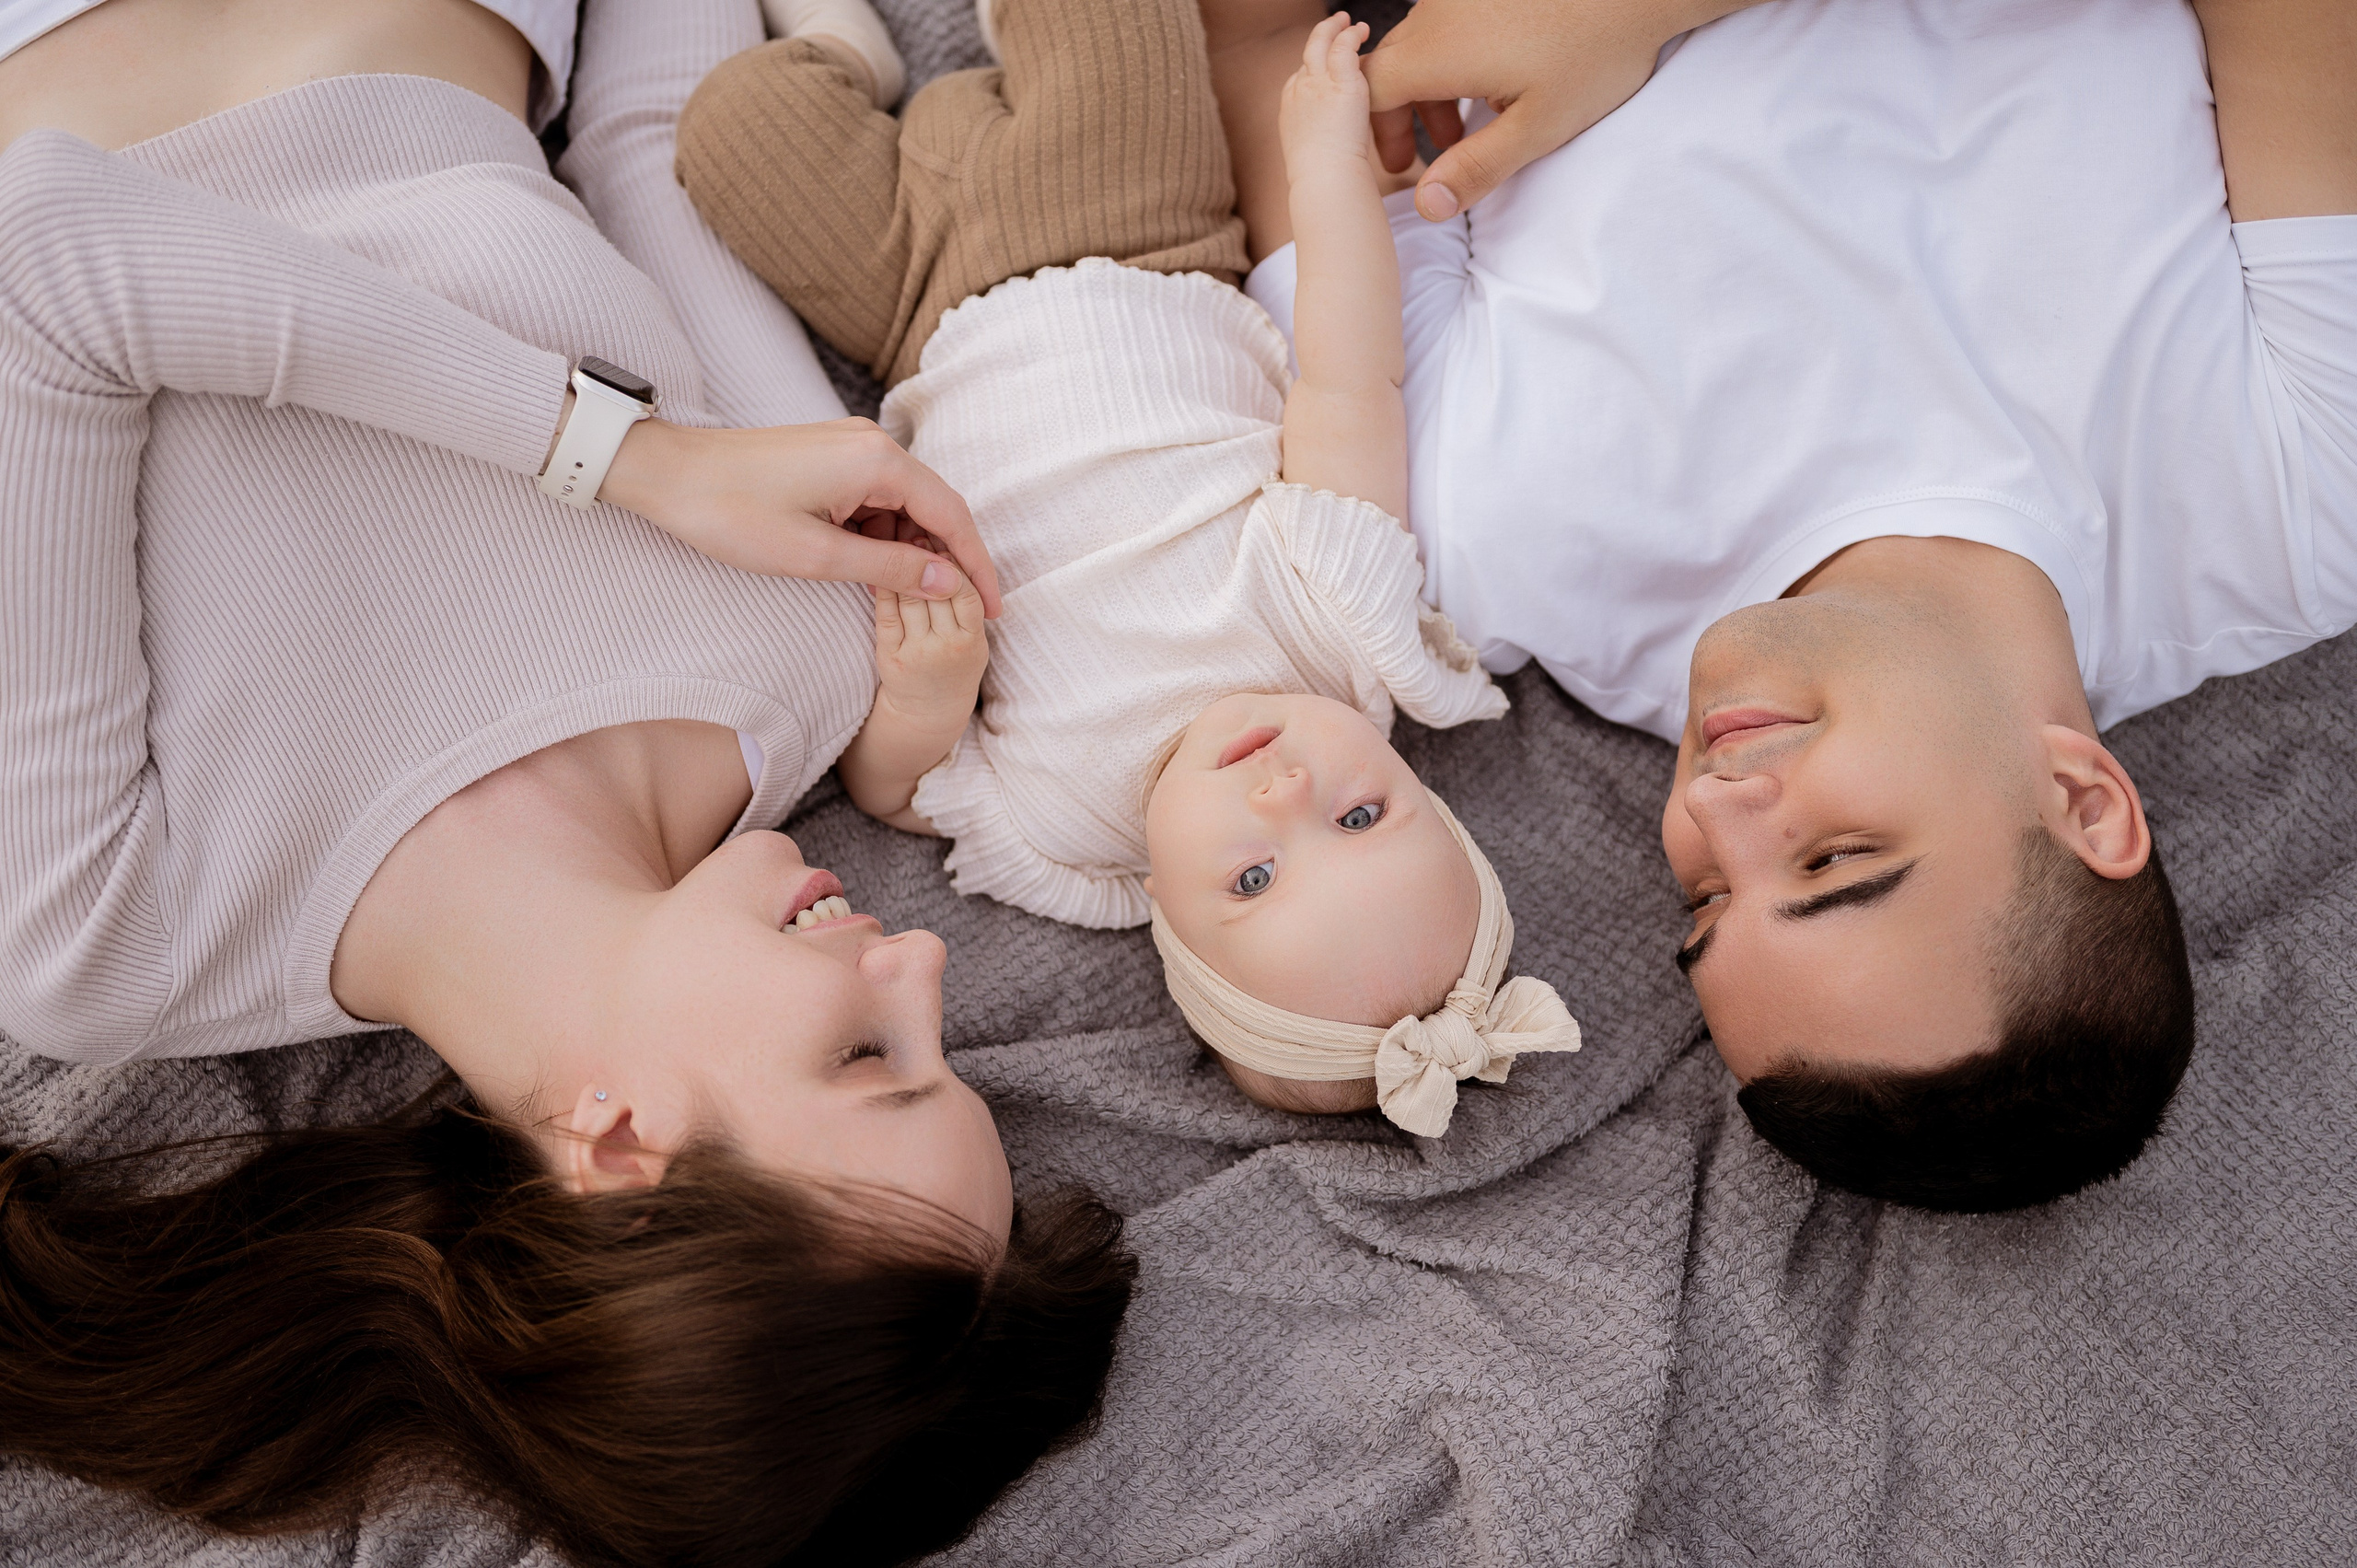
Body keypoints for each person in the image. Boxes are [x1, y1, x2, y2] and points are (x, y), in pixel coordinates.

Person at [0, 1, 1131, 1561]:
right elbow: (649, 141)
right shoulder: (812, 658)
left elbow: (42, 254)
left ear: (612, 1148)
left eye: (875, 1051)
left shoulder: (113, 931)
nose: (925, 956)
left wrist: (632, 460)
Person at [1233, 0, 2357, 1209]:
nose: (1719, 812)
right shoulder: (2298, 502)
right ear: (2083, 799)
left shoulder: (1484, 551)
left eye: (1706, 898)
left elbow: (1265, 49)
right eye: (1834, 857)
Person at [674, 1, 1581, 1135]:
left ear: (1162, 919)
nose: (1285, 793)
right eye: (1362, 814)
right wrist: (1324, 166)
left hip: (912, 308)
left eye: (1252, 879)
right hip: (1131, 218)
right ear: (1424, 790)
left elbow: (893, 794)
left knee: (730, 135)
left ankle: (849, 55)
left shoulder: (1064, 839)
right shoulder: (1342, 631)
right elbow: (1351, 381)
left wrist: (928, 695)